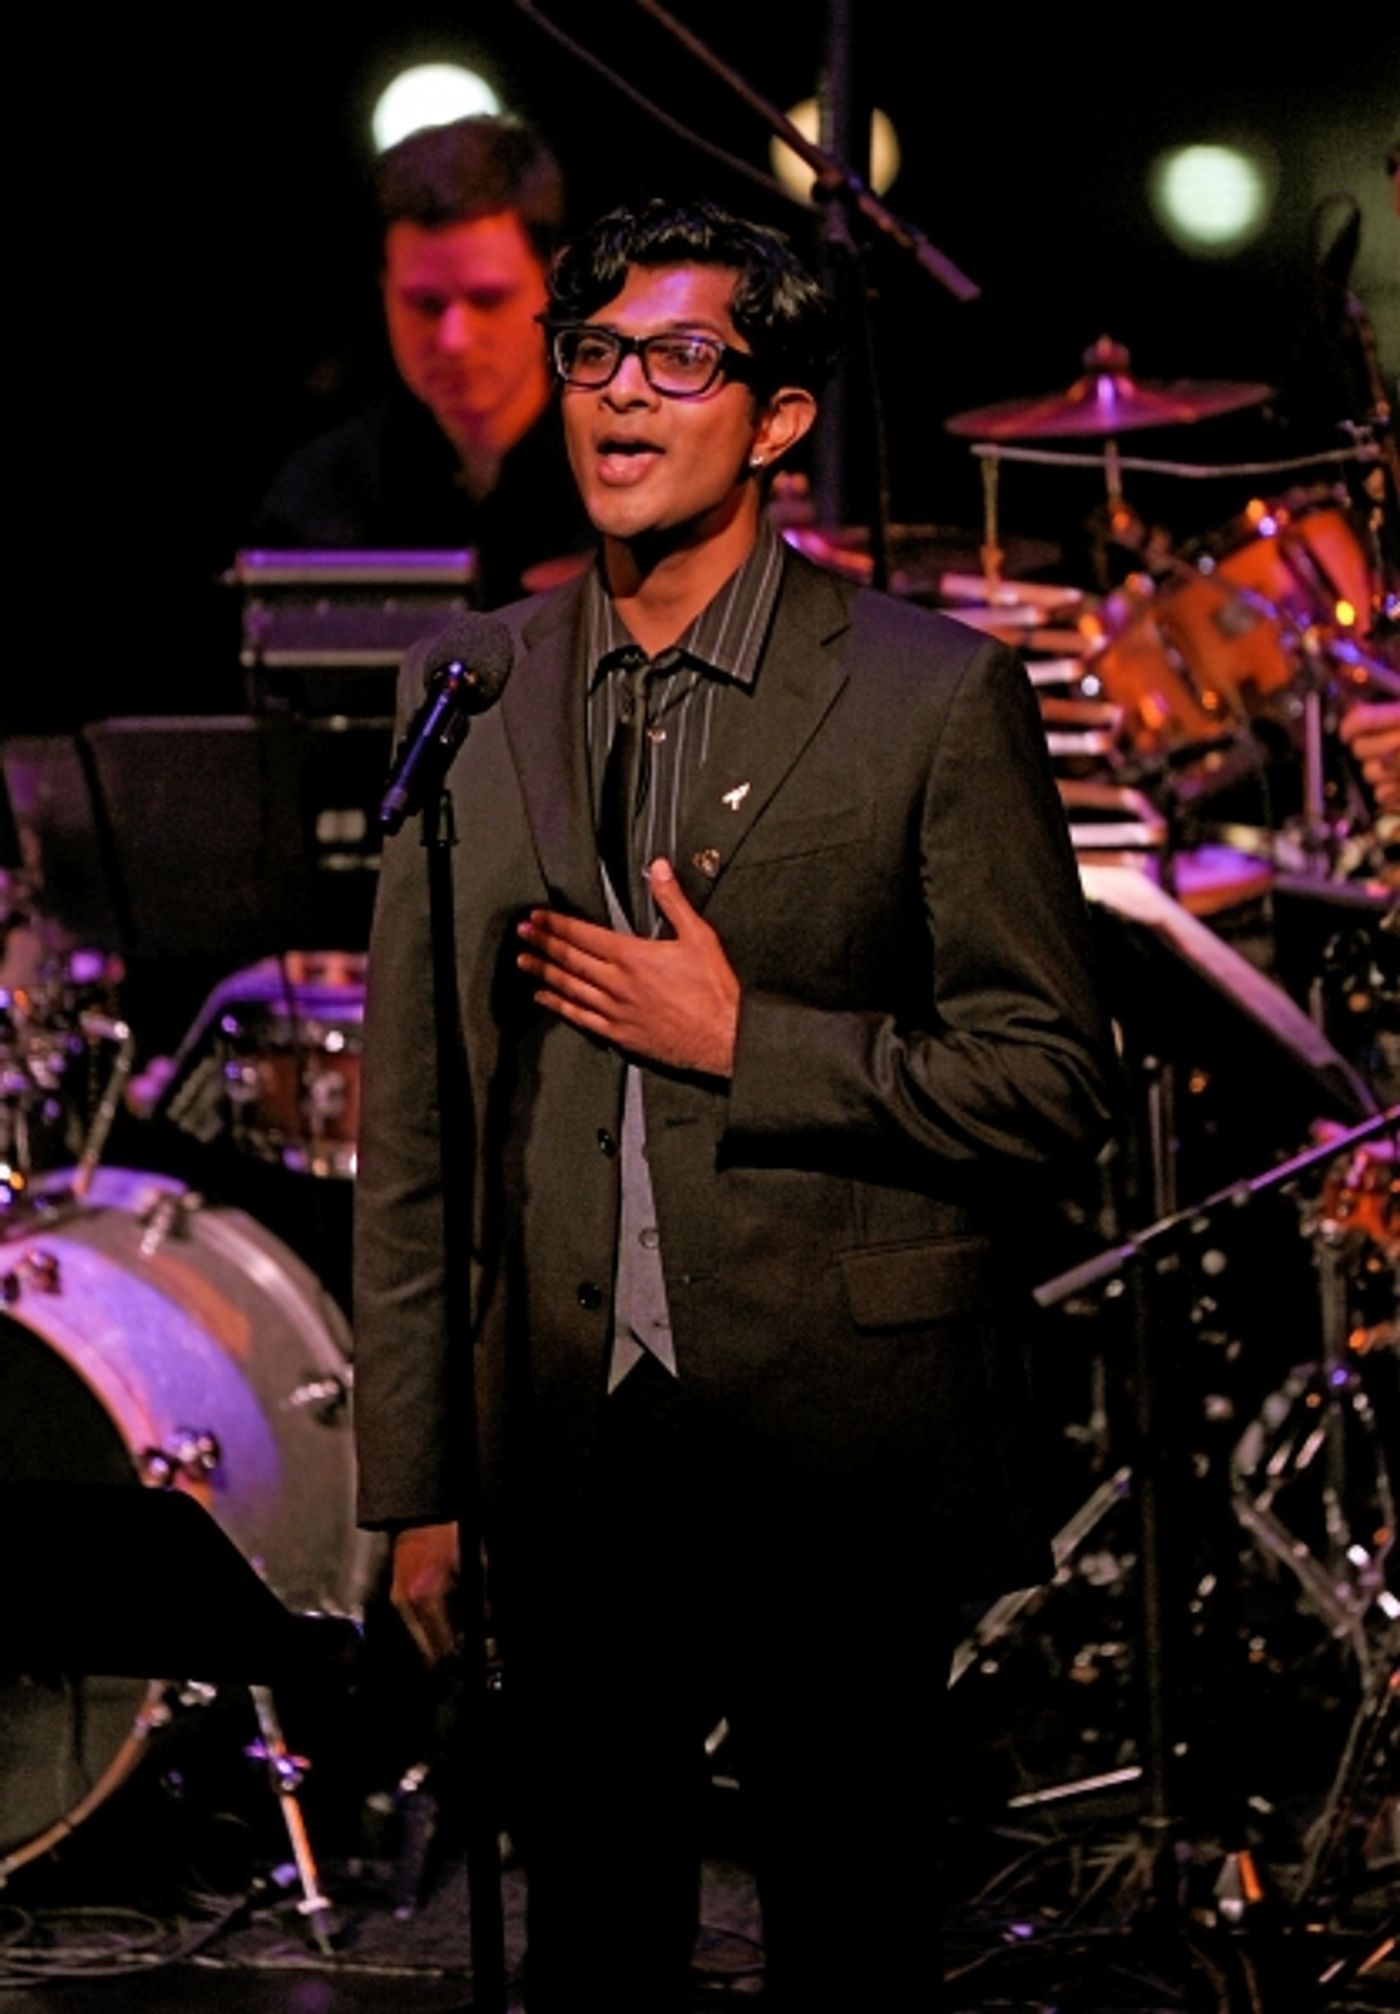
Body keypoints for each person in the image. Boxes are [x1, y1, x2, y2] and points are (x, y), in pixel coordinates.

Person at [352, 197, 1114, 2012]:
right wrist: (419, 1476)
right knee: (596, 1942)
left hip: (838, 1441)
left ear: (775, 416)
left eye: (681, 361)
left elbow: (1053, 1078)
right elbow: (416, 1117)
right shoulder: (468, 681)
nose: (622, 399)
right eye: (596, 354)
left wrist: (745, 1035)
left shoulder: (934, 695)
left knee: (845, 1935)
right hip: (565, 1445)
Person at [253, 114, 591, 606]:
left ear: (553, 286)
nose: (453, 338)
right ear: (384, 291)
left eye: (487, 299)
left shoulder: (626, 477)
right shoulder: (322, 499)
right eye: (425, 304)